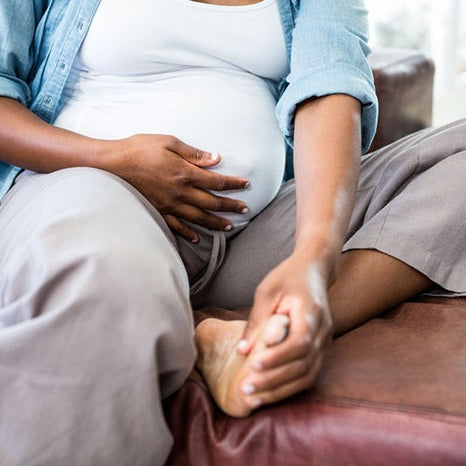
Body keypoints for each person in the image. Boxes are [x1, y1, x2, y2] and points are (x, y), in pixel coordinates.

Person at [0, 0, 465, 464]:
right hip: (93, 198)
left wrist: (314, 256)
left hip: (251, 235)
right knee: (101, 267)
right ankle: (198, 324)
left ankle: (251, 333)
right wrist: (110, 159)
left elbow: (330, 91)